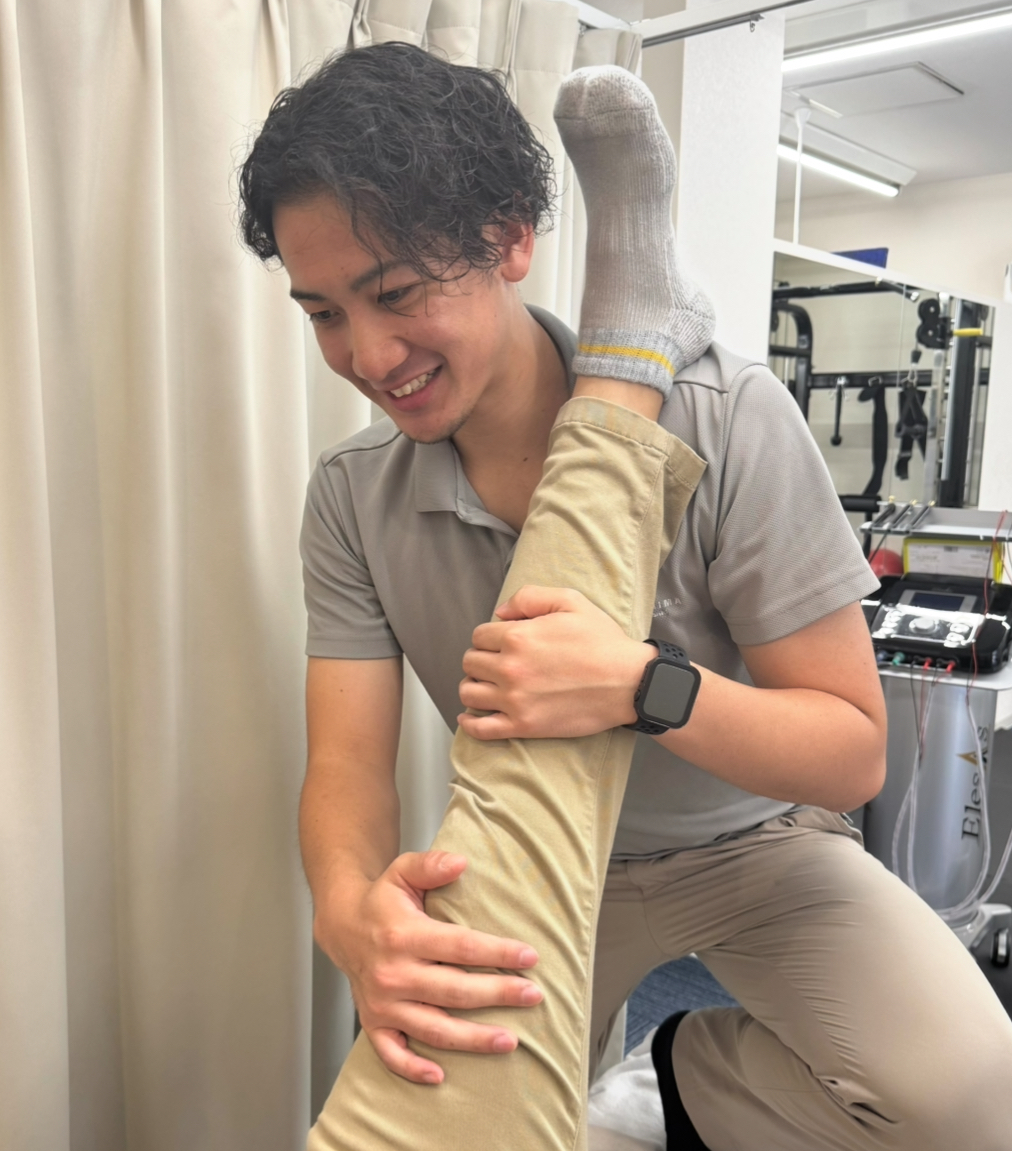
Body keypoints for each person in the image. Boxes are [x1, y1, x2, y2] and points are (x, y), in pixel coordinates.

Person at [239, 44, 1012, 1151]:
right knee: (431, 1122)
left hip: (757, 845)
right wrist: (351, 908)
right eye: (322, 314)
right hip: (541, 852)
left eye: (395, 293)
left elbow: (851, 752)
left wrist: (644, 686)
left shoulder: (730, 416)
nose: (366, 353)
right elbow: (349, 768)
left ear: (511, 238)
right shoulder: (354, 494)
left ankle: (684, 1070)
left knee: (978, 1103)